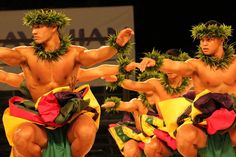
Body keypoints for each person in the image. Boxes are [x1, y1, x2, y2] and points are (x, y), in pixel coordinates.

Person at [0, 9, 134, 157]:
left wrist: (116, 45)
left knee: (86, 130)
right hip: (38, 119)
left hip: (70, 117)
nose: (34, 31)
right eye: (33, 27)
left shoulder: (74, 54)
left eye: (38, 26)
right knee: (21, 136)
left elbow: (96, 57)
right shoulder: (26, 55)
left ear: (53, 27)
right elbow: (5, 61)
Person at [133, 20, 236, 157]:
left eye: (209, 40)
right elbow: (175, 65)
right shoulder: (196, 65)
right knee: (184, 135)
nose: (204, 44)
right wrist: (157, 62)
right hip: (203, 120)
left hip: (233, 119)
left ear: (221, 39)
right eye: (201, 40)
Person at [102, 49, 193, 157]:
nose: (169, 69)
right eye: (166, 65)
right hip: (167, 130)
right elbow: (134, 85)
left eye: (172, 65)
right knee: (151, 147)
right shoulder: (156, 84)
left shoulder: (192, 83)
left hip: (190, 127)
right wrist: (117, 79)